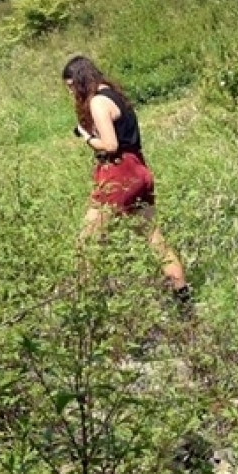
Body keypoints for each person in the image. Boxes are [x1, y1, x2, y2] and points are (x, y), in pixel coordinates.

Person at [62, 55, 192, 310]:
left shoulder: (98, 102)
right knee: (155, 239)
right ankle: (185, 303)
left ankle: (82, 308)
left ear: (79, 80)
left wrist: (87, 137)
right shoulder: (115, 95)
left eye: (70, 86)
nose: (70, 92)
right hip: (139, 170)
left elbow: (110, 145)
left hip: (119, 173)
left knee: (85, 243)